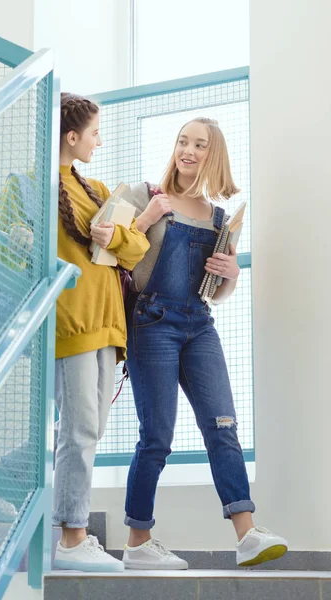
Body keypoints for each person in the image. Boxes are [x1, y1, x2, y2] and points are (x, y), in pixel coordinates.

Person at [121, 117, 288, 569]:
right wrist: (145, 219)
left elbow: (214, 290)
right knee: (156, 436)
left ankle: (247, 532)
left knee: (223, 426)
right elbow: (114, 253)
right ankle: (138, 541)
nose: (188, 151)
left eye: (199, 145)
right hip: (151, 321)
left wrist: (232, 276)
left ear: (213, 156)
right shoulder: (146, 195)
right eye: (183, 141)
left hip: (199, 324)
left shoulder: (219, 218)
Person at [52, 93, 149, 572]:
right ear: (72, 136)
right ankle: (72, 539)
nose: (99, 140)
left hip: (109, 326)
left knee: (88, 430)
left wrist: (116, 237)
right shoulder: (31, 187)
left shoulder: (96, 187)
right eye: (94, 133)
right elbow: (12, 252)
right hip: (70, 323)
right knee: (79, 428)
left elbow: (134, 250)